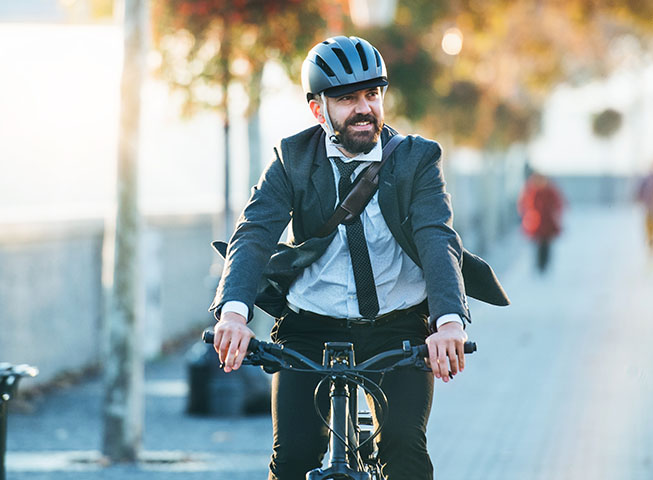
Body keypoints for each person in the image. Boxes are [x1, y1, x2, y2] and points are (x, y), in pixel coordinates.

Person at [209, 36, 507, 479]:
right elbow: (253, 233)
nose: (364, 108)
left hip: (398, 325)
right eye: (347, 99)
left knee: (405, 453)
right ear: (318, 109)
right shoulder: (292, 159)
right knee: (291, 459)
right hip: (309, 326)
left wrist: (448, 324)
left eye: (372, 94)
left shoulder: (415, 159)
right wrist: (233, 315)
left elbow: (436, 237)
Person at [517, 172, 565, 273]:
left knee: (546, 245)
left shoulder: (550, 191)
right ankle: (539, 265)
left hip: (547, 224)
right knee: (537, 245)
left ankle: (545, 264)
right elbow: (523, 205)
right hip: (535, 223)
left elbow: (558, 204)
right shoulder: (531, 191)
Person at [635, 163, 653, 253]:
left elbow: (640, 192)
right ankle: (652, 243)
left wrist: (641, 199)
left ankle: (651, 243)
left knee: (649, 228)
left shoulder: (646, 179)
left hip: (649, 208)